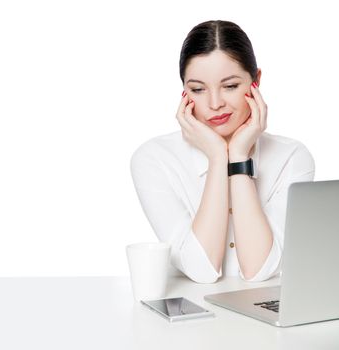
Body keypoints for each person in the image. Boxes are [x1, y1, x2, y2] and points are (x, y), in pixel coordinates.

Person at [130, 20, 315, 283]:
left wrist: (239, 156)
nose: (215, 104)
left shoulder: (292, 158)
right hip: (188, 317)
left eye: (230, 86)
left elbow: (257, 270)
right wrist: (218, 157)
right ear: (184, 92)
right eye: (198, 89)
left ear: (256, 81)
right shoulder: (154, 159)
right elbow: (201, 271)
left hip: (261, 318)